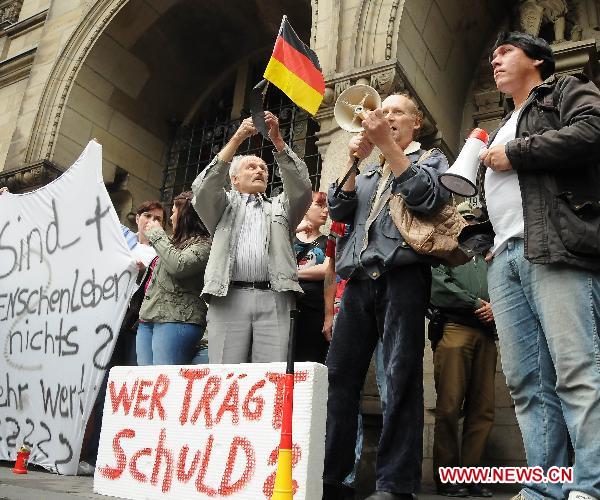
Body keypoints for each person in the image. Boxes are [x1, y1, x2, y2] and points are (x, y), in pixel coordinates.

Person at [479, 31, 600, 500]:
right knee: (528, 381)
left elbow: (592, 131)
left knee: (577, 368)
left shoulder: (565, 89)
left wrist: (515, 154)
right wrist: (485, 238)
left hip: (555, 247)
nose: (495, 60)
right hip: (506, 257)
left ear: (538, 59)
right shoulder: (505, 121)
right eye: (492, 54)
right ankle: (547, 488)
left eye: (505, 51)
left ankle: (590, 485)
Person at [323, 92, 450, 500]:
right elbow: (338, 211)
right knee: (339, 379)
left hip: (402, 278)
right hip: (358, 282)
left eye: (397, 112)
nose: (385, 116)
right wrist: (354, 161)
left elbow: (427, 198)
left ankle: (395, 485)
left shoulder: (430, 160)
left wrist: (388, 147)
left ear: (416, 123)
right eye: (384, 110)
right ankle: (331, 476)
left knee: (400, 378)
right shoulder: (369, 169)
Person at [191, 111, 312, 363]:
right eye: (251, 166)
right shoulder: (221, 207)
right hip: (228, 297)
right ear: (234, 179)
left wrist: (277, 140)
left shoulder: (282, 206)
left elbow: (301, 188)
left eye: (264, 168)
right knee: (227, 377)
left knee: (272, 377)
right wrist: (237, 138)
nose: (259, 170)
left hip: (275, 296)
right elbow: (202, 189)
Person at [430, 202, 496, 498]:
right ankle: (447, 477)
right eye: (464, 218)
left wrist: (495, 307)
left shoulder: (487, 254)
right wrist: (474, 303)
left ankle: (472, 476)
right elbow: (437, 283)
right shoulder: (444, 248)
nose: (469, 223)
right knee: (448, 406)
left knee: (482, 409)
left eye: (473, 219)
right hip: (455, 328)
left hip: (487, 333)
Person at [136, 191, 211, 365]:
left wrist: (157, 235)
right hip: (148, 319)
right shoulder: (169, 241)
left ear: (186, 216)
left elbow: (178, 265)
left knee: (164, 382)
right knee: (146, 383)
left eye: (174, 212)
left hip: (177, 319)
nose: (170, 218)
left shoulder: (205, 244)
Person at [294, 191, 330, 363]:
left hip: (315, 310)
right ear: (305, 207)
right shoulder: (288, 235)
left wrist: (291, 273)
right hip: (286, 307)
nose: (325, 211)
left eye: (327, 207)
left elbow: (326, 270)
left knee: (311, 360)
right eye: (320, 205)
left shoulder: (328, 240)